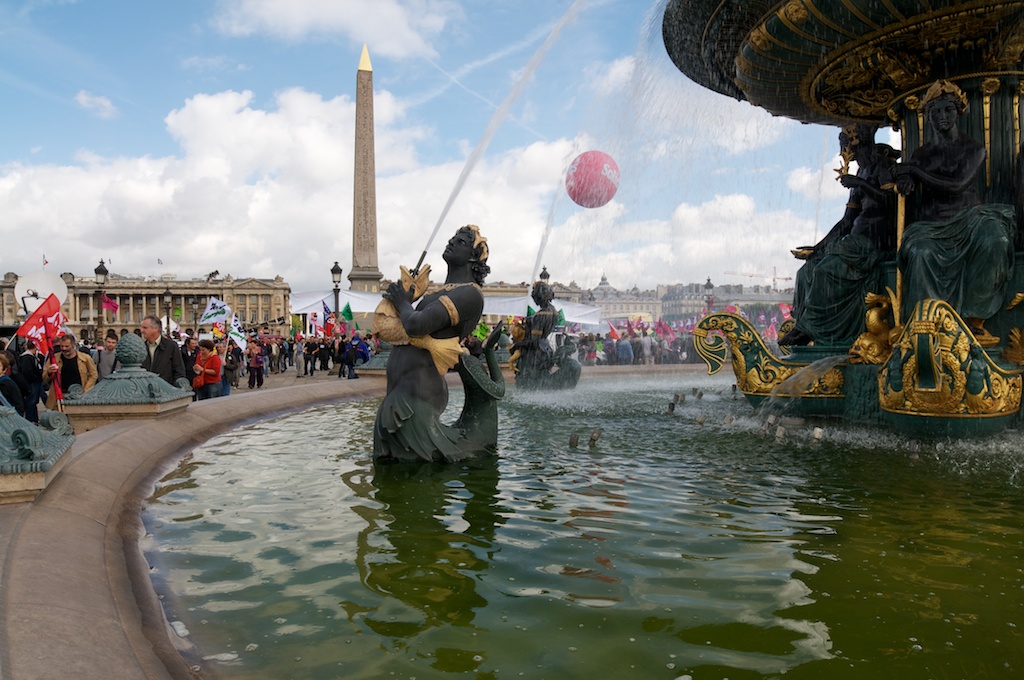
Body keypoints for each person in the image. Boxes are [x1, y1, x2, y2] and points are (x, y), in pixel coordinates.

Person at [895, 80, 1016, 341]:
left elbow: (957, 185)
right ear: (927, 117)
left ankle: (974, 318)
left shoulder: (974, 149)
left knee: (997, 239)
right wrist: (905, 180)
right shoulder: (922, 154)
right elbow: (909, 184)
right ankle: (927, 322)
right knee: (919, 250)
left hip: (973, 220)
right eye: (935, 112)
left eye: (948, 110)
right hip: (934, 226)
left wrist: (914, 171)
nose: (942, 117)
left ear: (958, 112)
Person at [374, 224, 489, 461]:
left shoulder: (470, 294)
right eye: (453, 238)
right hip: (401, 393)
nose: (452, 242)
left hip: (416, 398)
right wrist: (408, 297)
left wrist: (403, 302)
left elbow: (416, 325)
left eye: (461, 242)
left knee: (420, 485)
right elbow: (400, 328)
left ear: (472, 257)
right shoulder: (440, 293)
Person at [42, 333, 98, 409]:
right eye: (62, 346)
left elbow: (93, 374)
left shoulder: (85, 358)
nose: (64, 348)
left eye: (67, 346)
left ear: (73, 345)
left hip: (79, 396)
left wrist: (86, 390)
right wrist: (49, 372)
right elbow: (44, 378)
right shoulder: (54, 359)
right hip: (59, 397)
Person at [140, 315, 187, 386]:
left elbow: (179, 371)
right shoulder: (141, 347)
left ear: (156, 328)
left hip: (166, 391)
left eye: (145, 328)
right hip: (145, 390)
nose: (141, 331)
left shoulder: (171, 346)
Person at [17, 340, 44, 423]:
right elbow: (27, 371)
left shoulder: (31, 356)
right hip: (32, 382)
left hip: (33, 381)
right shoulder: (27, 357)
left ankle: (34, 419)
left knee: (33, 401)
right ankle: (30, 419)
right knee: (31, 402)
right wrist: (35, 378)